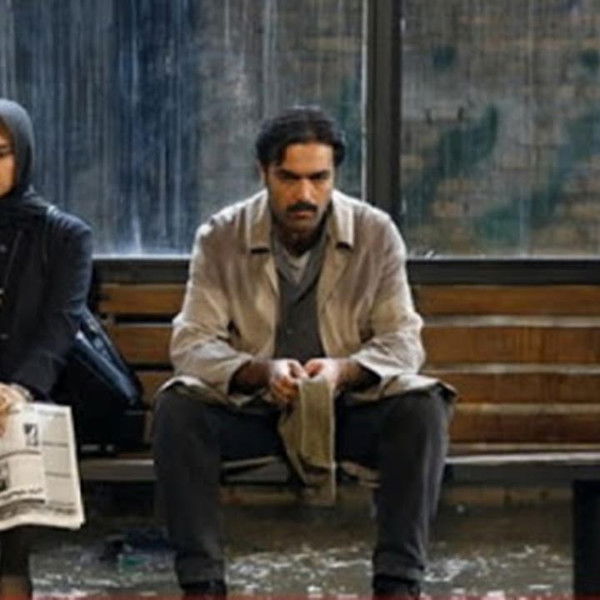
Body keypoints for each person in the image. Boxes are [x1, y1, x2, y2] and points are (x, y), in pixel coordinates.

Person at [153, 106, 454, 599]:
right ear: (264, 173)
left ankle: (398, 584)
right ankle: (202, 584)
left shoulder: (375, 233)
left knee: (424, 407)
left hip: (348, 413)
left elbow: (404, 341)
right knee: (177, 408)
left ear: (335, 175)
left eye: (319, 178)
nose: (305, 195)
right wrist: (259, 372)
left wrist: (343, 371)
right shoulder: (222, 236)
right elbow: (191, 343)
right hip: (255, 414)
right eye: (289, 179)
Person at [0, 98, 92, 598]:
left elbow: (60, 327)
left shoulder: (64, 236)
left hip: (32, 394)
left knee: (11, 431)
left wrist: (17, 389)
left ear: (24, 156)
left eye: (0, 153)